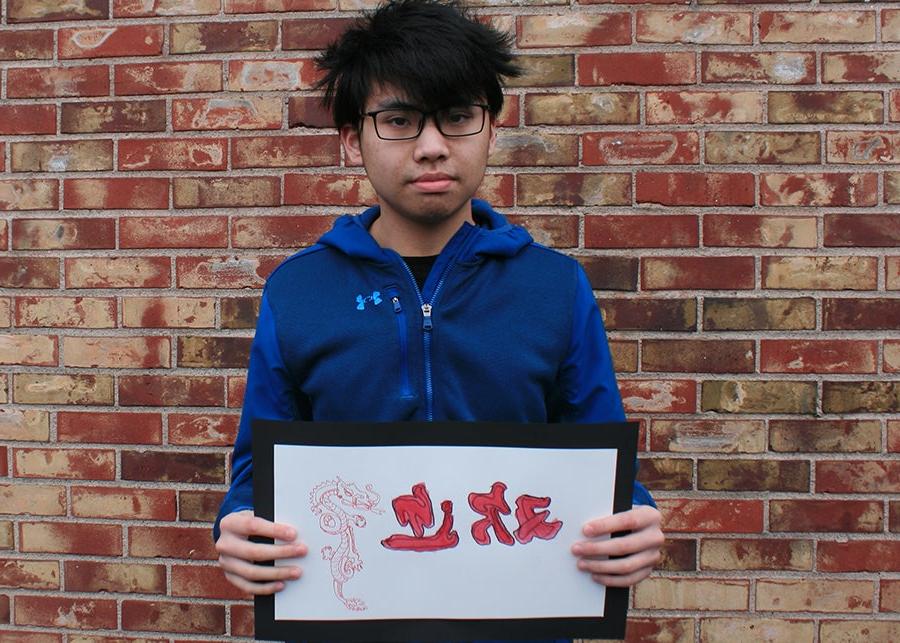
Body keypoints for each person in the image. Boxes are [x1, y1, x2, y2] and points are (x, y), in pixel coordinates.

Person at [214, 0, 663, 620]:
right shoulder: (298, 291)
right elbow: (258, 469)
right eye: (399, 120)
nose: (431, 146)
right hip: (345, 626)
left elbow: (598, 457)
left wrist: (631, 517)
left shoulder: (555, 288)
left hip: (520, 625)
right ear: (353, 139)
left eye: (456, 117)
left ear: (491, 130)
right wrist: (237, 522)